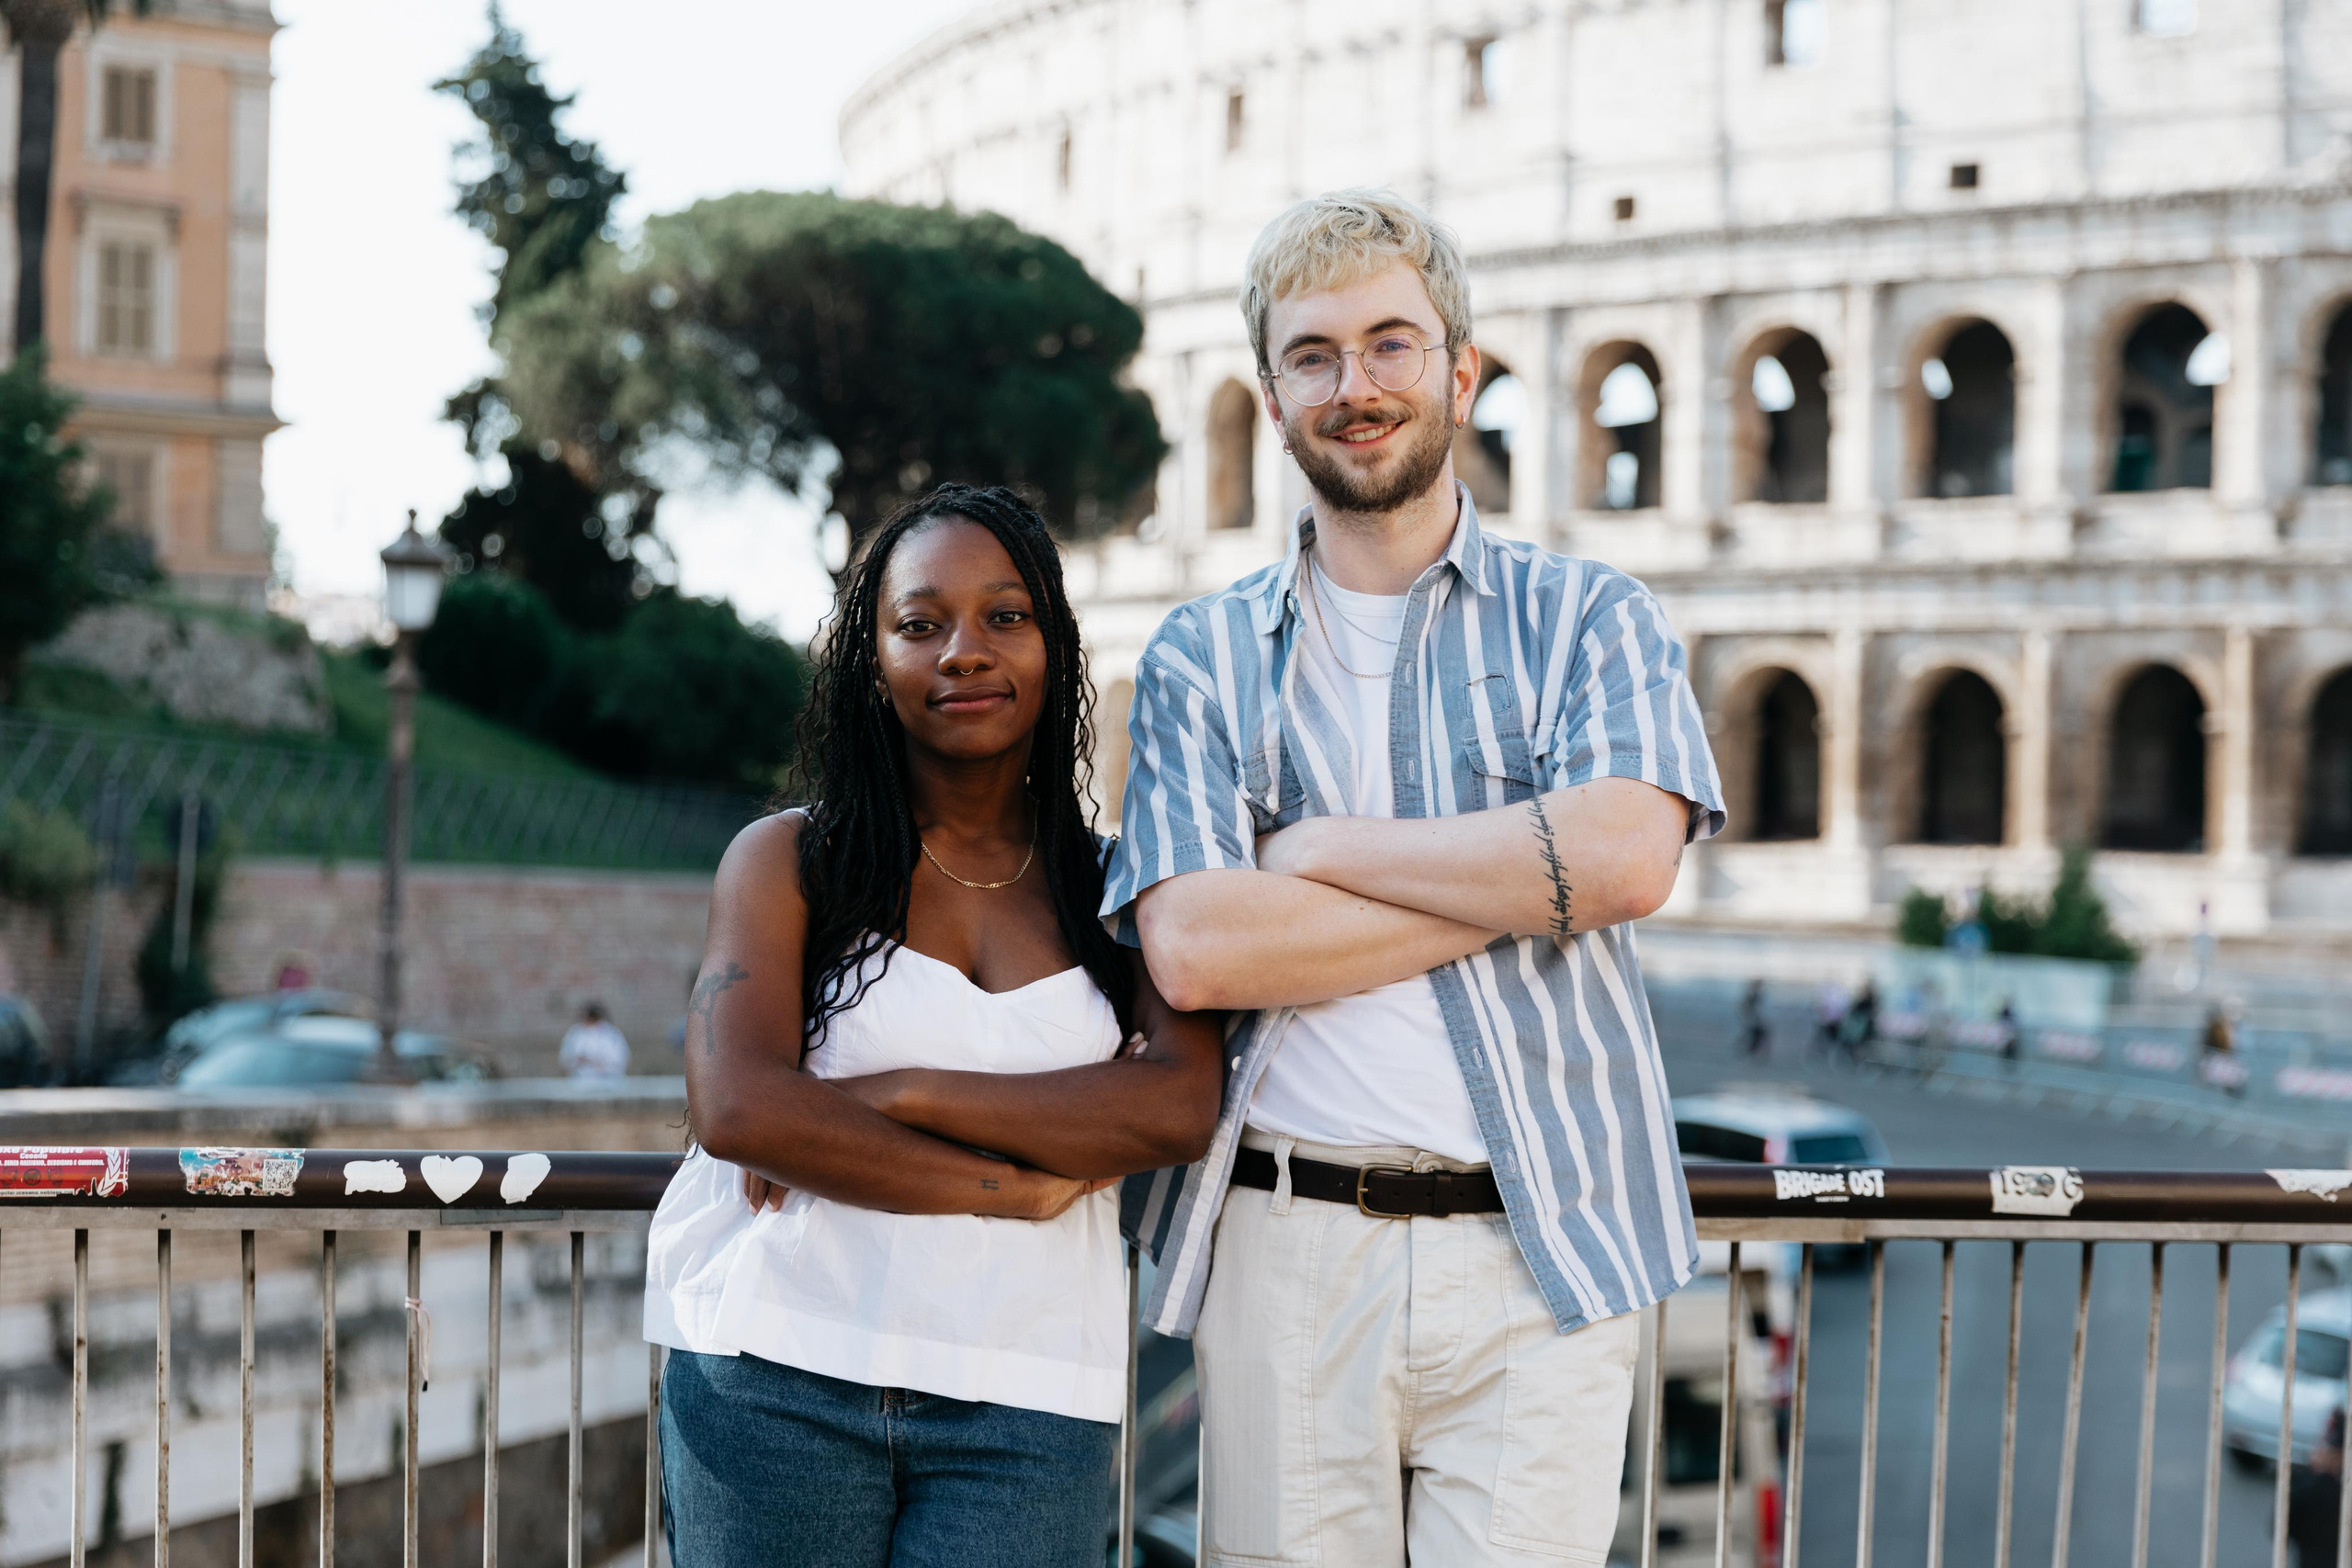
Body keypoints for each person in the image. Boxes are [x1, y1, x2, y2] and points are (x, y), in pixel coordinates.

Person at [1104, 191, 1723, 1567]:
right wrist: (1510, 872)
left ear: (1461, 368)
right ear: (1271, 400)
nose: (1356, 385)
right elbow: (1198, 949)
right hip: (1283, 1244)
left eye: (1392, 343)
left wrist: (1313, 854)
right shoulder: (1203, 653)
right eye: (1312, 356)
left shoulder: (1594, 617)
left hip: (1543, 1241)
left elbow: (1627, 860)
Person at [645, 484, 1224, 1568]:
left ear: (1055, 648)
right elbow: (737, 1106)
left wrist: (899, 1093)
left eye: (1006, 617)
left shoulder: (1120, 885)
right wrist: (1011, 1184)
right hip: (776, 1369)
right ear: (872, 661)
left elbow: (1175, 1103)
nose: (965, 650)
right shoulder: (788, 861)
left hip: (1029, 1400)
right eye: (921, 624)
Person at [558, 1002, 629, 1079]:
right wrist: (579, 1060)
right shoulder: (576, 1033)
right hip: (581, 1083)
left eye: (594, 1019)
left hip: (608, 1082)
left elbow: (621, 1059)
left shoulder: (611, 1034)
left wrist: (598, 1063)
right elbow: (566, 1058)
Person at [1738, 977, 1770, 1057]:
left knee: (1754, 1035)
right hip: (1753, 1020)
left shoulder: (1754, 994)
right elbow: (1748, 1007)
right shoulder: (1752, 995)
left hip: (1754, 1020)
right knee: (1756, 1035)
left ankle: (1750, 1050)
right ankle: (1750, 1051)